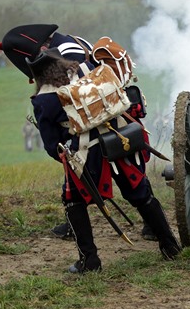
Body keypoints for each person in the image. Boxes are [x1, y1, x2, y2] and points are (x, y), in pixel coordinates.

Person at [23, 47, 181, 273]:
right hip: (122, 137)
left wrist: (70, 160)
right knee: (139, 192)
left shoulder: (43, 100)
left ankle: (90, 261)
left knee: (73, 201)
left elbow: (53, 146)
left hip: (87, 152)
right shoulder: (89, 69)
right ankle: (169, 245)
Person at [0, 24, 157, 242]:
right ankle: (77, 222)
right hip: (90, 119)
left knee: (129, 176)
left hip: (106, 115)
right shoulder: (63, 44)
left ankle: (153, 225)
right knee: (84, 173)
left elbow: (75, 96)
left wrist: (49, 119)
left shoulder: (70, 52)